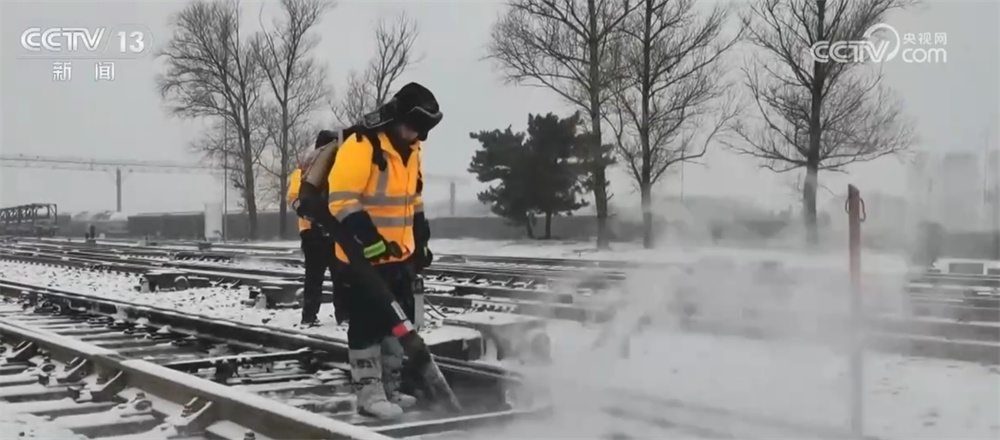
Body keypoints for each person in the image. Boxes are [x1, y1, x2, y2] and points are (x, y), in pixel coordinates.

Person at [325, 82, 440, 419]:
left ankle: (390, 387)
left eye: (422, 130)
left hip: (398, 255)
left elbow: (412, 199)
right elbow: (342, 200)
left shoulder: (412, 148)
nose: (417, 134)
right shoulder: (362, 145)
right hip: (362, 257)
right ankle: (369, 394)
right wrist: (371, 241)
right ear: (397, 117)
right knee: (366, 324)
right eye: (414, 126)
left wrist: (420, 241)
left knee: (397, 324)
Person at [288, 130, 340, 327]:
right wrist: (309, 213)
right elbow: (294, 198)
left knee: (335, 275)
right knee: (319, 276)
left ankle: (334, 315)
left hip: (330, 230)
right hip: (313, 230)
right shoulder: (303, 171)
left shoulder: (333, 169)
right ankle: (311, 315)